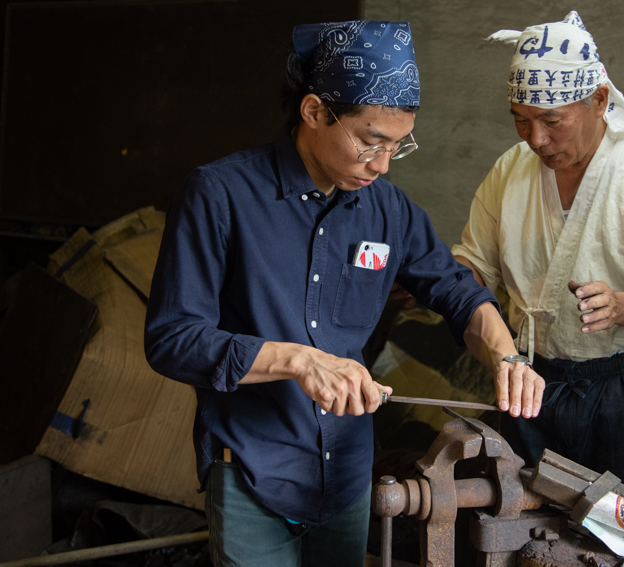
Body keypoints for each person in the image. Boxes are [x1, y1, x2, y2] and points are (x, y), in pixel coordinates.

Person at [144, 20, 544, 567]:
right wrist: (298, 361)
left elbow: (457, 293)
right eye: (370, 143)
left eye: (397, 148)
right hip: (255, 468)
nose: (380, 166)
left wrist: (507, 357)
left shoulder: (389, 210)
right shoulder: (220, 195)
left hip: (350, 473)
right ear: (313, 112)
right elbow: (172, 338)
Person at [452, 12, 624, 494]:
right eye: (521, 120)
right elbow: (472, 268)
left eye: (552, 121)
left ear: (599, 100)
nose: (536, 139)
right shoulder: (510, 171)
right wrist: (442, 281)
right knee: (516, 521)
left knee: (618, 533)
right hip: (530, 376)